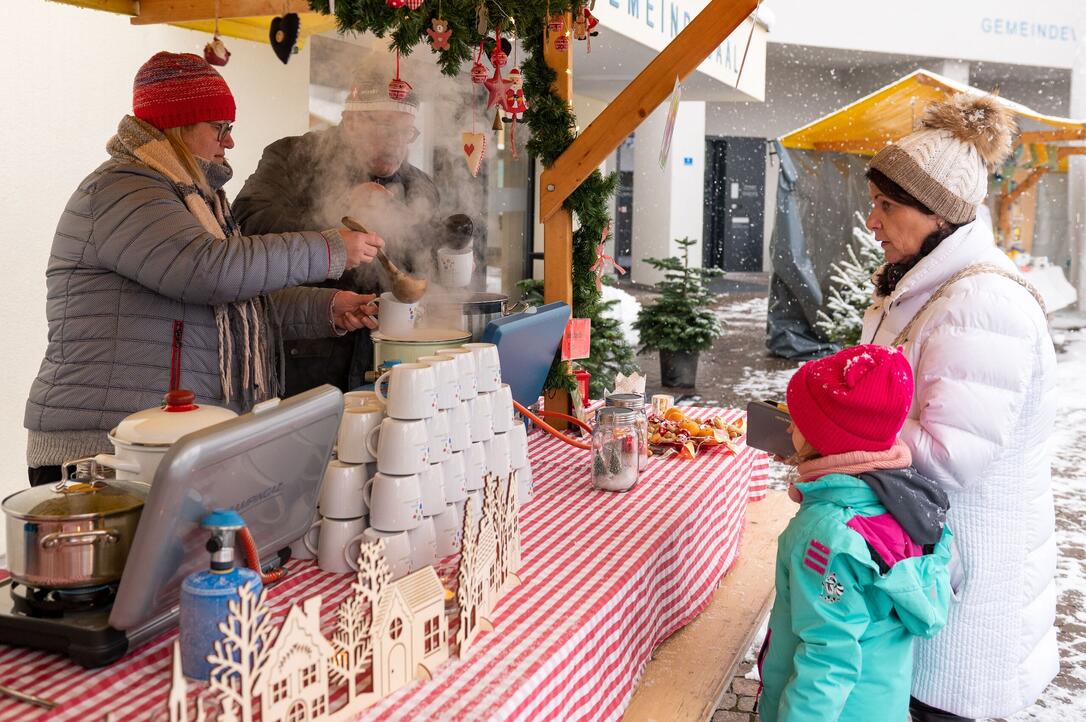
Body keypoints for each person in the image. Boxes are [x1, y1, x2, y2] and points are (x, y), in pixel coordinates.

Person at [24, 52, 386, 485]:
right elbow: (208, 272)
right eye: (220, 127)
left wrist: (326, 308)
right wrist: (328, 249)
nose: (229, 141)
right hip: (102, 450)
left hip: (156, 441)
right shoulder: (124, 189)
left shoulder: (194, 199)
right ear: (179, 124)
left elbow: (240, 302)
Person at [860, 93, 1057, 721]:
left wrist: (837, 439)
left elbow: (947, 457)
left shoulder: (982, 305)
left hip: (964, 590)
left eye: (887, 207)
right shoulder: (927, 286)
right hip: (926, 569)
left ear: (938, 215)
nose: (873, 223)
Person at [758, 344, 953, 722]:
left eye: (798, 420)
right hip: (881, 705)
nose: (788, 426)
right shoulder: (906, 501)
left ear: (825, 438)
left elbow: (827, 660)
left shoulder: (826, 536)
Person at [233, 70, 442, 394]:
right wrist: (338, 212)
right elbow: (248, 224)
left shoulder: (420, 185)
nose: (395, 143)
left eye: (406, 133)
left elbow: (427, 267)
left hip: (389, 356)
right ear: (350, 121)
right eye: (384, 127)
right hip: (302, 355)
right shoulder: (291, 157)